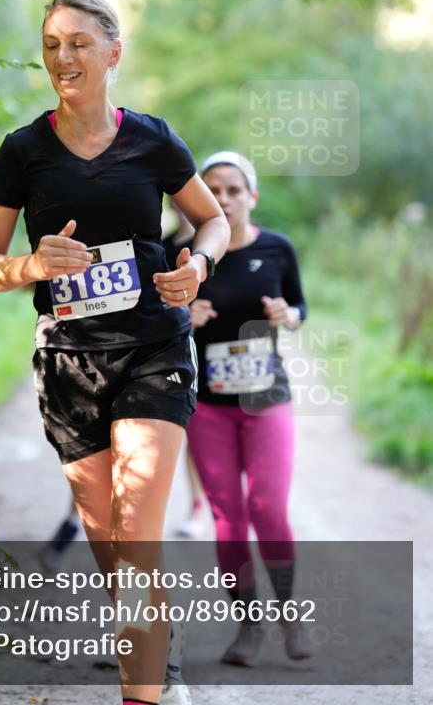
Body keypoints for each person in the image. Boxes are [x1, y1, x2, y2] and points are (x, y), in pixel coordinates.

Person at [0, 0, 230, 705]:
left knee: (136, 529)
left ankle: (141, 692)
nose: (63, 56)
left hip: (152, 346)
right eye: (53, 43)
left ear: (113, 52)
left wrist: (197, 266)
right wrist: (33, 266)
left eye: (79, 42)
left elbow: (210, 223)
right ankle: (158, 656)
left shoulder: (153, 139)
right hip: (67, 363)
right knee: (112, 553)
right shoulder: (22, 151)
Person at [185, 151, 314, 667]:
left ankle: (290, 612)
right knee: (228, 519)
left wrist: (289, 314)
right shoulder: (184, 252)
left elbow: (300, 306)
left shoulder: (278, 248)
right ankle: (248, 624)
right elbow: (155, 318)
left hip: (266, 399)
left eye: (233, 189)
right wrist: (182, 315)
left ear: (251, 197)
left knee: (268, 509)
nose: (223, 197)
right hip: (208, 407)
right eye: (212, 188)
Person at [162, 203, 208, 540]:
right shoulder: (162, 244)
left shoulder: (213, 245)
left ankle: (198, 507)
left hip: (212, 348)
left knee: (200, 437)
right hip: (173, 349)